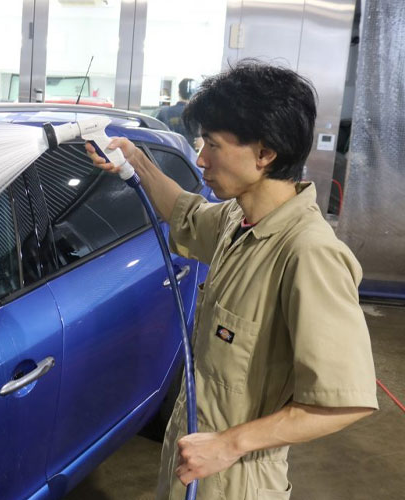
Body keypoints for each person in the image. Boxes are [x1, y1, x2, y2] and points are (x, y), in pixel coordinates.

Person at [87, 61, 378, 500]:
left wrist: (228, 445)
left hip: (238, 481)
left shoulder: (308, 254)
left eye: (213, 145)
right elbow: (183, 213)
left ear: (265, 153)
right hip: (195, 460)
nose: (200, 159)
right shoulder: (236, 219)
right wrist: (136, 162)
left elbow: (344, 402)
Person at [157, 78, 202, 150]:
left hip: (166, 154)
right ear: (194, 94)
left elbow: (156, 137)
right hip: (186, 157)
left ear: (179, 92)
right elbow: (199, 143)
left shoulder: (163, 112)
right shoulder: (196, 114)